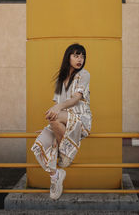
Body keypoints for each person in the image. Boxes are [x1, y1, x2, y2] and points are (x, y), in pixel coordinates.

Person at [31, 43, 92, 200]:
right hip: (63, 121)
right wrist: (50, 126)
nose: (80, 59)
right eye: (76, 55)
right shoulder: (60, 80)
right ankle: (56, 175)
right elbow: (57, 110)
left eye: (82, 56)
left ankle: (66, 155)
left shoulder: (84, 74)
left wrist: (58, 109)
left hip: (80, 120)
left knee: (54, 116)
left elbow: (76, 98)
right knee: (39, 144)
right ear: (68, 57)